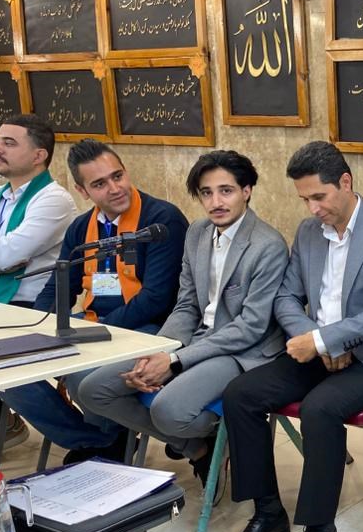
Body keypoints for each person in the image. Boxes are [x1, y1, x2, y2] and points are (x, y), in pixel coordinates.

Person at [216, 141, 363, 532]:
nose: (312, 209)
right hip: (318, 346)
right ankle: (267, 513)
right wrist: (314, 337)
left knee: (320, 408)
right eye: (304, 199)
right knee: (241, 394)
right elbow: (286, 297)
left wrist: (328, 339)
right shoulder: (309, 232)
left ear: (345, 183)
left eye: (319, 197)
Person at [78, 150, 287, 484]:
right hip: (194, 339)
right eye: (206, 193)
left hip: (243, 351)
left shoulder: (268, 245)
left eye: (226, 191)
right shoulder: (198, 233)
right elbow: (187, 304)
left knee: (168, 410)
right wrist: (159, 351)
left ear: (247, 191)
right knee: (94, 389)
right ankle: (199, 449)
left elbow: (250, 328)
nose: (216, 202)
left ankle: (218, 432)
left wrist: (174, 361)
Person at [0, 139, 188, 463]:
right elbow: (59, 286)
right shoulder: (81, 228)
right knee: (7, 372)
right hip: (93, 325)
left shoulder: (161, 219)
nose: (115, 188)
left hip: (148, 328)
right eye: (100, 184)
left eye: (118, 176)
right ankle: (93, 440)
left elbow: (156, 299)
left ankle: (109, 445)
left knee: (80, 374)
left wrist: (94, 332)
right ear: (82, 190)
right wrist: (37, 330)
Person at [0, 114, 76, 452]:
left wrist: (5, 258)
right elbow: (4, 255)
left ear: (39, 155)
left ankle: (89, 441)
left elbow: (8, 254)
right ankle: (0, 424)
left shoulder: (53, 199)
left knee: (3, 367)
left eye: (9, 143)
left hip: (31, 306)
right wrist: (3, 257)